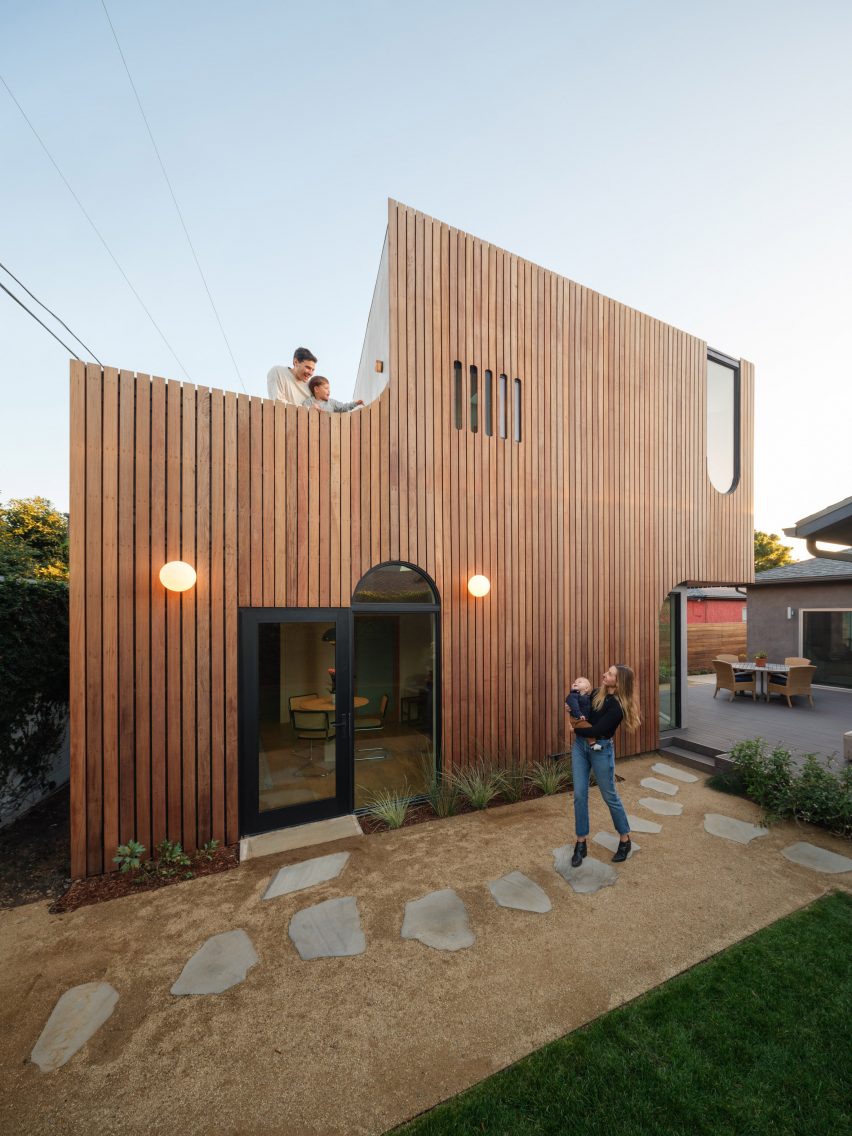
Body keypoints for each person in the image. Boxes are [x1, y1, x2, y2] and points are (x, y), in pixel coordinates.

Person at [569, 664, 641, 866]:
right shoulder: (595, 694)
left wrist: (574, 729)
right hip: (580, 748)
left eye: (610, 674)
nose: (604, 674)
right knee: (580, 794)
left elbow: (598, 729)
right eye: (607, 672)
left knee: (609, 796)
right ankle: (580, 843)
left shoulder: (617, 706)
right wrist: (573, 709)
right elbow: (581, 710)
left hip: (601, 750)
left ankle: (625, 839)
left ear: (619, 682)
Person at [565, 676, 600, 750]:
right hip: (577, 719)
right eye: (575, 682)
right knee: (589, 729)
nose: (576, 683)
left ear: (586, 688)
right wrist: (579, 715)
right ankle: (593, 744)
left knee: (588, 728)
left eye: (579, 682)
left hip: (582, 719)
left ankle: (591, 743)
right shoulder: (573, 696)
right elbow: (574, 706)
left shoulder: (588, 697)